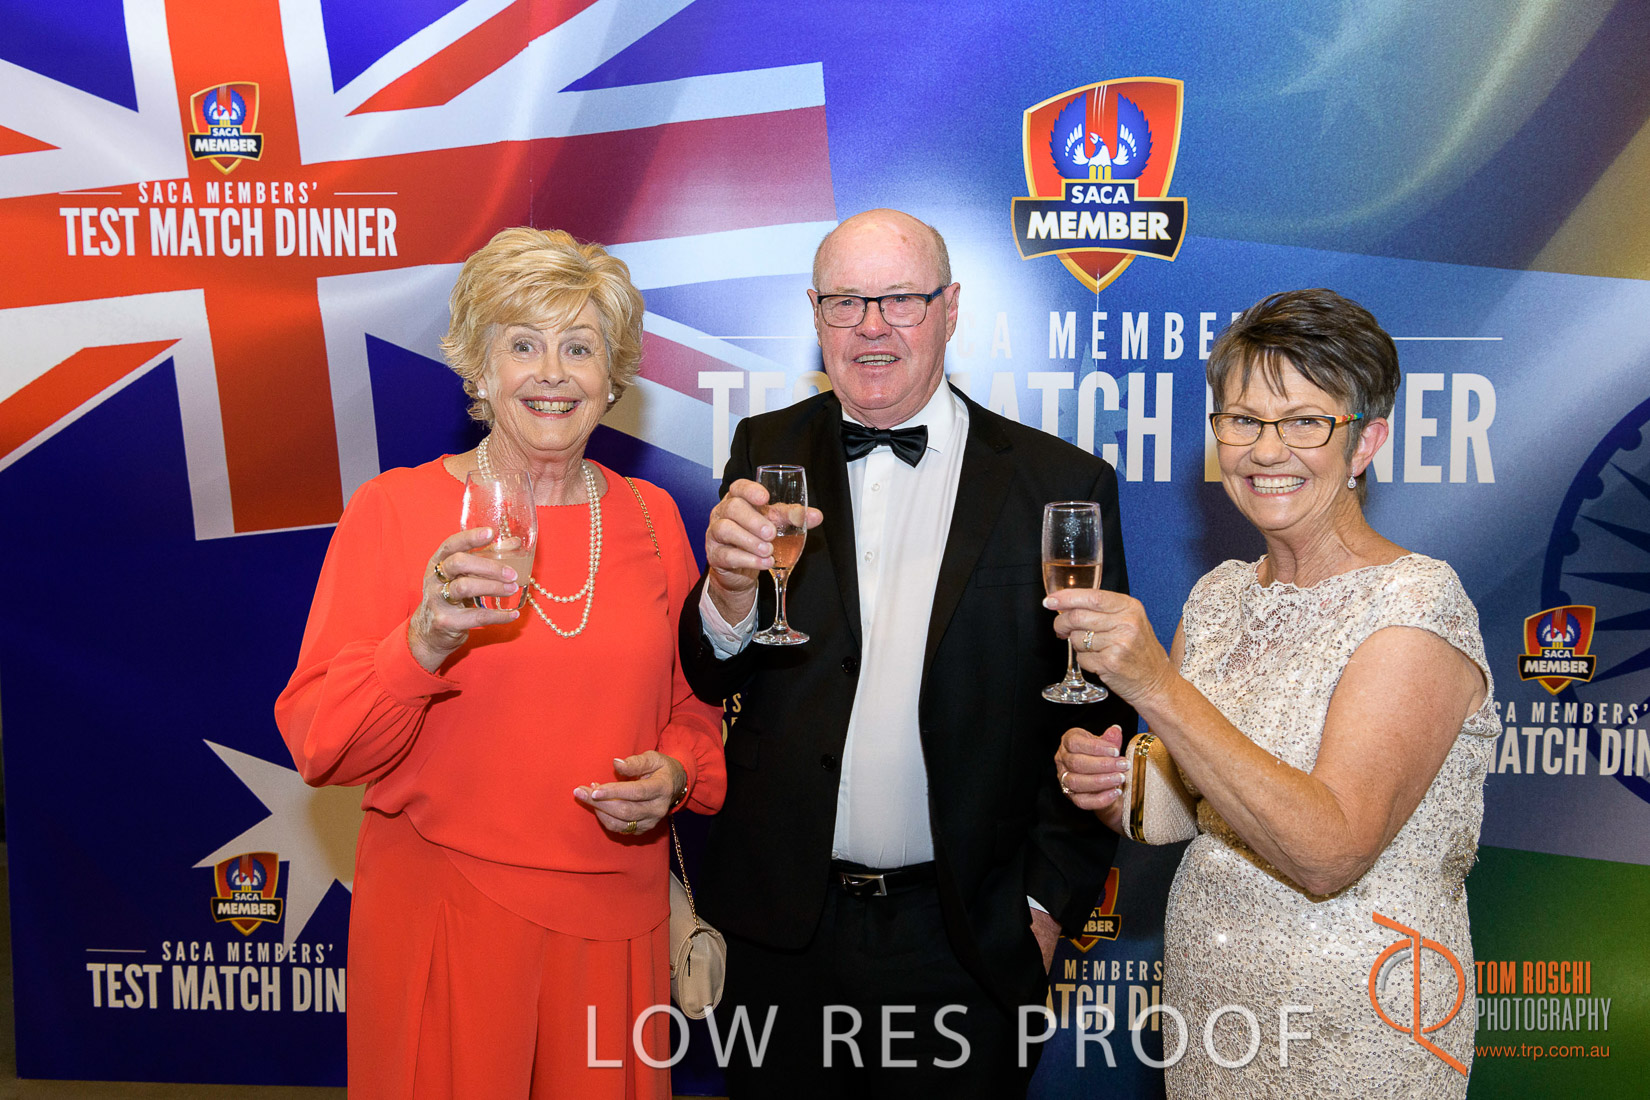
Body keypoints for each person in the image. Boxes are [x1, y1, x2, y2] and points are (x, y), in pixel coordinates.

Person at [679, 209, 1134, 1097]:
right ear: (815, 314)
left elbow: (1097, 719)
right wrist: (728, 594)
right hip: (783, 938)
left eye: (900, 300)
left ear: (950, 309)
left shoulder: (1058, 483)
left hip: (967, 942)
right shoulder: (765, 451)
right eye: (846, 302)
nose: (872, 327)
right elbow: (711, 671)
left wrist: (1043, 908)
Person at [275, 227, 726, 1100]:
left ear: (612, 377)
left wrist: (675, 773)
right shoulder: (394, 510)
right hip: (444, 919)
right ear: (479, 370)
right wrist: (422, 642)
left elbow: (693, 708)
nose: (553, 373)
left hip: (617, 920)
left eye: (580, 347)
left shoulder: (653, 517)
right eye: (523, 345)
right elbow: (322, 744)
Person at [1051, 288, 1499, 1096]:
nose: (1266, 449)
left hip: (1361, 1032)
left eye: (1304, 422)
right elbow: (1188, 808)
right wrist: (1118, 790)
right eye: (1243, 420)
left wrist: (1156, 686)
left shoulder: (1417, 605)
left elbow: (1330, 852)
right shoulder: (1219, 597)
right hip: (1211, 1020)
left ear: (1365, 442)